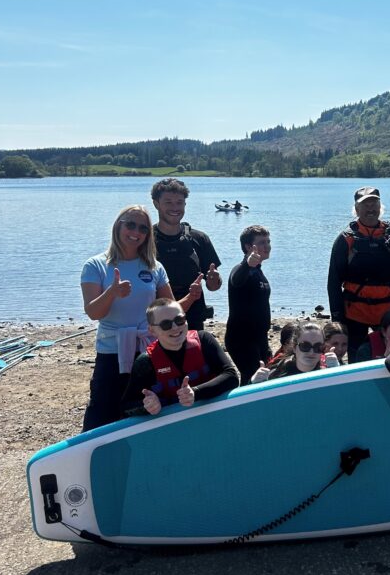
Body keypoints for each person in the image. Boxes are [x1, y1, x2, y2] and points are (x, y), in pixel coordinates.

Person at [80, 205, 183, 431]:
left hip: (149, 351)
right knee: (102, 414)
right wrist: (112, 292)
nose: (136, 231)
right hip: (111, 352)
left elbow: (171, 309)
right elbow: (93, 313)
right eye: (130, 224)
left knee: (148, 413)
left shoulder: (154, 267)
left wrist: (192, 299)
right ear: (118, 226)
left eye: (143, 228)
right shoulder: (96, 265)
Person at [327, 186, 390, 363]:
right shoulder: (346, 239)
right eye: (365, 205)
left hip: (387, 314)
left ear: (380, 207)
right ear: (356, 209)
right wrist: (337, 318)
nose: (370, 209)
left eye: (374, 204)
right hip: (354, 314)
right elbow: (333, 282)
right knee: (356, 361)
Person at [121, 298, 239, 416]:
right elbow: (127, 406)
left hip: (211, 415)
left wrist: (196, 392)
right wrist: (147, 406)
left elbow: (231, 376)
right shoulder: (146, 361)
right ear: (152, 330)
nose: (175, 327)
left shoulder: (204, 340)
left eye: (179, 320)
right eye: (166, 324)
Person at [151, 178, 222, 330]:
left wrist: (214, 279)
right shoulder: (146, 240)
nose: (175, 207)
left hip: (193, 321)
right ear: (156, 204)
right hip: (157, 322)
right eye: (168, 202)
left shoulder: (199, 239)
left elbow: (213, 287)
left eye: (179, 202)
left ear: (185, 204)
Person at [225, 225, 272, 385]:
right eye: (262, 242)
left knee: (263, 379)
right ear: (248, 247)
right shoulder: (241, 269)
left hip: (260, 337)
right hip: (241, 339)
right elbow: (236, 280)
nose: (267, 246)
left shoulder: (258, 271)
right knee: (252, 379)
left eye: (268, 241)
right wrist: (247, 265)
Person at [251, 321, 338, 382]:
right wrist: (254, 383)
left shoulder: (327, 372)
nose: (311, 352)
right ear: (294, 347)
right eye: (305, 346)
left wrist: (337, 372)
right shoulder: (278, 374)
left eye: (318, 347)